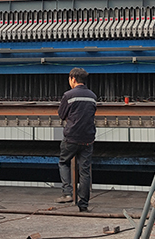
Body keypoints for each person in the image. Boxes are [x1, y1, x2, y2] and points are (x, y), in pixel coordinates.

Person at [55, 67, 97, 212]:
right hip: (88, 139)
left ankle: (67, 192)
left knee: (63, 162)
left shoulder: (68, 95)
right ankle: (83, 205)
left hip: (71, 138)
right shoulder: (92, 96)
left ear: (73, 79)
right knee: (84, 171)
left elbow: (61, 114)